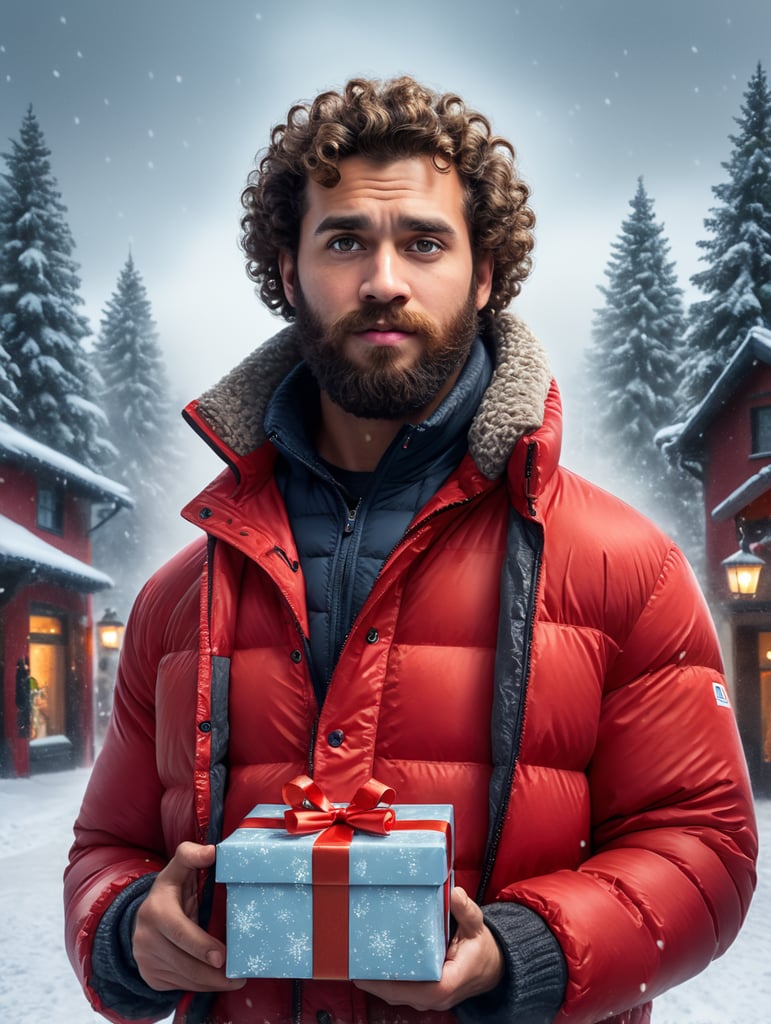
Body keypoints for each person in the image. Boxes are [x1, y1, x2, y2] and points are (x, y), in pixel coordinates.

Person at [64, 75, 758, 1024]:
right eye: (344, 238)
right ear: (287, 268)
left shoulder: (624, 571)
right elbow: (106, 847)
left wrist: (527, 951)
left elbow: (703, 847)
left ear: (481, 276)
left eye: (423, 242)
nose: (383, 278)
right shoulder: (178, 597)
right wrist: (122, 927)